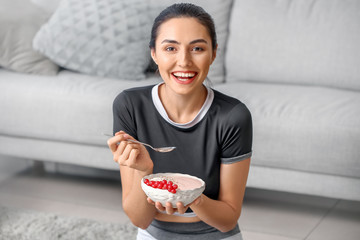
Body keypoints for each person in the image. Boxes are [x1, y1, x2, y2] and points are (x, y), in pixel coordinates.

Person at [107, 3, 252, 240]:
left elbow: (228, 221)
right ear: (154, 53)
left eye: (197, 48)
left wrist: (190, 197)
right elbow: (139, 218)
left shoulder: (233, 116)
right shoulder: (130, 106)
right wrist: (145, 170)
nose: (184, 61)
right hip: (153, 234)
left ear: (214, 53)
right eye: (171, 48)